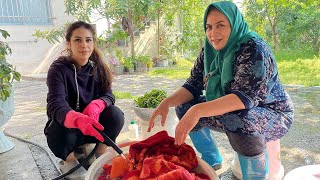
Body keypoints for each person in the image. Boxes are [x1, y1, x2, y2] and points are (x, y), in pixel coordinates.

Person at [148, 1, 293, 179]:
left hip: (274, 114)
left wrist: (197, 111)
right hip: (238, 111)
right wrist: (167, 102)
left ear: (234, 24)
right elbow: (193, 85)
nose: (212, 33)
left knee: (239, 119)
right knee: (184, 106)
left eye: (220, 25)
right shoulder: (209, 51)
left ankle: (256, 175)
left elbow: (243, 99)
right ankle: (211, 159)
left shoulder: (254, 49)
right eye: (208, 27)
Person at [44, 21, 124, 179]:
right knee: (57, 128)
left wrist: (98, 104)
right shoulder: (58, 69)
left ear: (93, 43)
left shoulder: (98, 67)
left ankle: (99, 153)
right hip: (69, 131)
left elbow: (108, 95)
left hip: (93, 127)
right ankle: (71, 159)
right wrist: (74, 118)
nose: (84, 45)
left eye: (88, 40)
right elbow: (55, 104)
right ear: (68, 43)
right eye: (78, 40)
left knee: (116, 115)